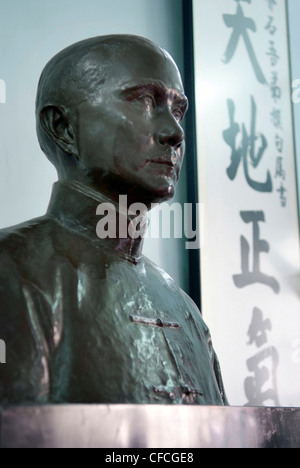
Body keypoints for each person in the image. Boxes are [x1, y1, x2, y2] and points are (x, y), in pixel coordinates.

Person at [0, 35, 227, 405]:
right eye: (144, 101)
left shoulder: (183, 308)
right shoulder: (11, 272)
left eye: (177, 109)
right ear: (63, 127)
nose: (175, 132)